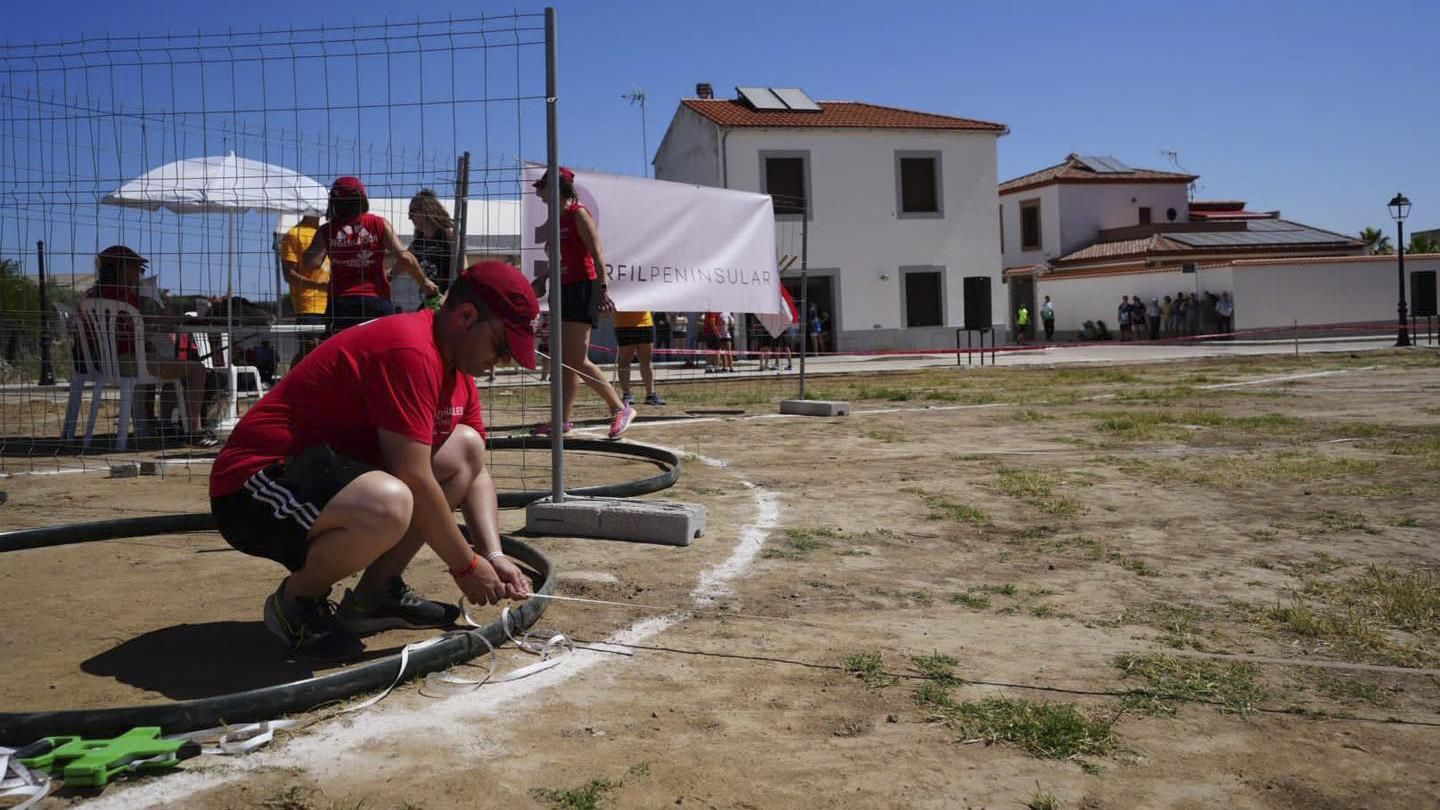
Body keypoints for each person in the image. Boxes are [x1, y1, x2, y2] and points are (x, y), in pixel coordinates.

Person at [209, 261, 538, 659]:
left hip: (324, 475)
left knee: (465, 447)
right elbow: (414, 477)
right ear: (467, 317)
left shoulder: (456, 371)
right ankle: (295, 605)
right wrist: (465, 567)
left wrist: (493, 555)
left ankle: (373, 597)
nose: (502, 361)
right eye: (502, 346)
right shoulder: (412, 351)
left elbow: (474, 473)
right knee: (390, 501)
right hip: (253, 486)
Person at [529, 167, 635, 438]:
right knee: (564, 360)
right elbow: (560, 258)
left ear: (557, 188)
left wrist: (603, 288)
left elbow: (597, 251)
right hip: (562, 289)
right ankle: (562, 420)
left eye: (542, 188)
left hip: (581, 288)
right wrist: (543, 278)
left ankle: (619, 408)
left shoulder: (578, 213)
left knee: (575, 359)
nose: (539, 194)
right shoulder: (557, 219)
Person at [84, 246, 212, 443]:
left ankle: (153, 423)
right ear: (121, 269)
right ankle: (194, 429)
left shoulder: (91, 295)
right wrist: (165, 322)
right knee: (196, 369)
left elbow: (128, 327)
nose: (139, 273)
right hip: (127, 361)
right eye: (137, 268)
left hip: (101, 364)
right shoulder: (124, 296)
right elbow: (138, 330)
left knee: (167, 364)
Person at [302, 176, 437, 334]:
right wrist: (424, 282)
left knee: (346, 354)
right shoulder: (378, 224)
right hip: (376, 300)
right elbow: (405, 257)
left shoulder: (327, 231)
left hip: (342, 304)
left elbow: (311, 263)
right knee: (381, 354)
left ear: (334, 202)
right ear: (362, 199)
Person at [280, 213, 331, 368]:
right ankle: (291, 386)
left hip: (333, 302)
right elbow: (289, 274)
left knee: (328, 350)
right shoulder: (293, 234)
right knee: (310, 349)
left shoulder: (327, 232)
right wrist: (317, 285)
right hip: (309, 303)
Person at [405, 189, 457, 310]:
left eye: (412, 212)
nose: (409, 217)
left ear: (426, 210)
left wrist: (448, 297)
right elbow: (403, 262)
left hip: (448, 301)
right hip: (429, 301)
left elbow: (463, 269)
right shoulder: (418, 242)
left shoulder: (447, 234)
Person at [614, 310, 665, 405]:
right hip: (623, 324)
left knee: (646, 361)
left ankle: (650, 394)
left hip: (645, 323)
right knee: (624, 361)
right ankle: (626, 394)